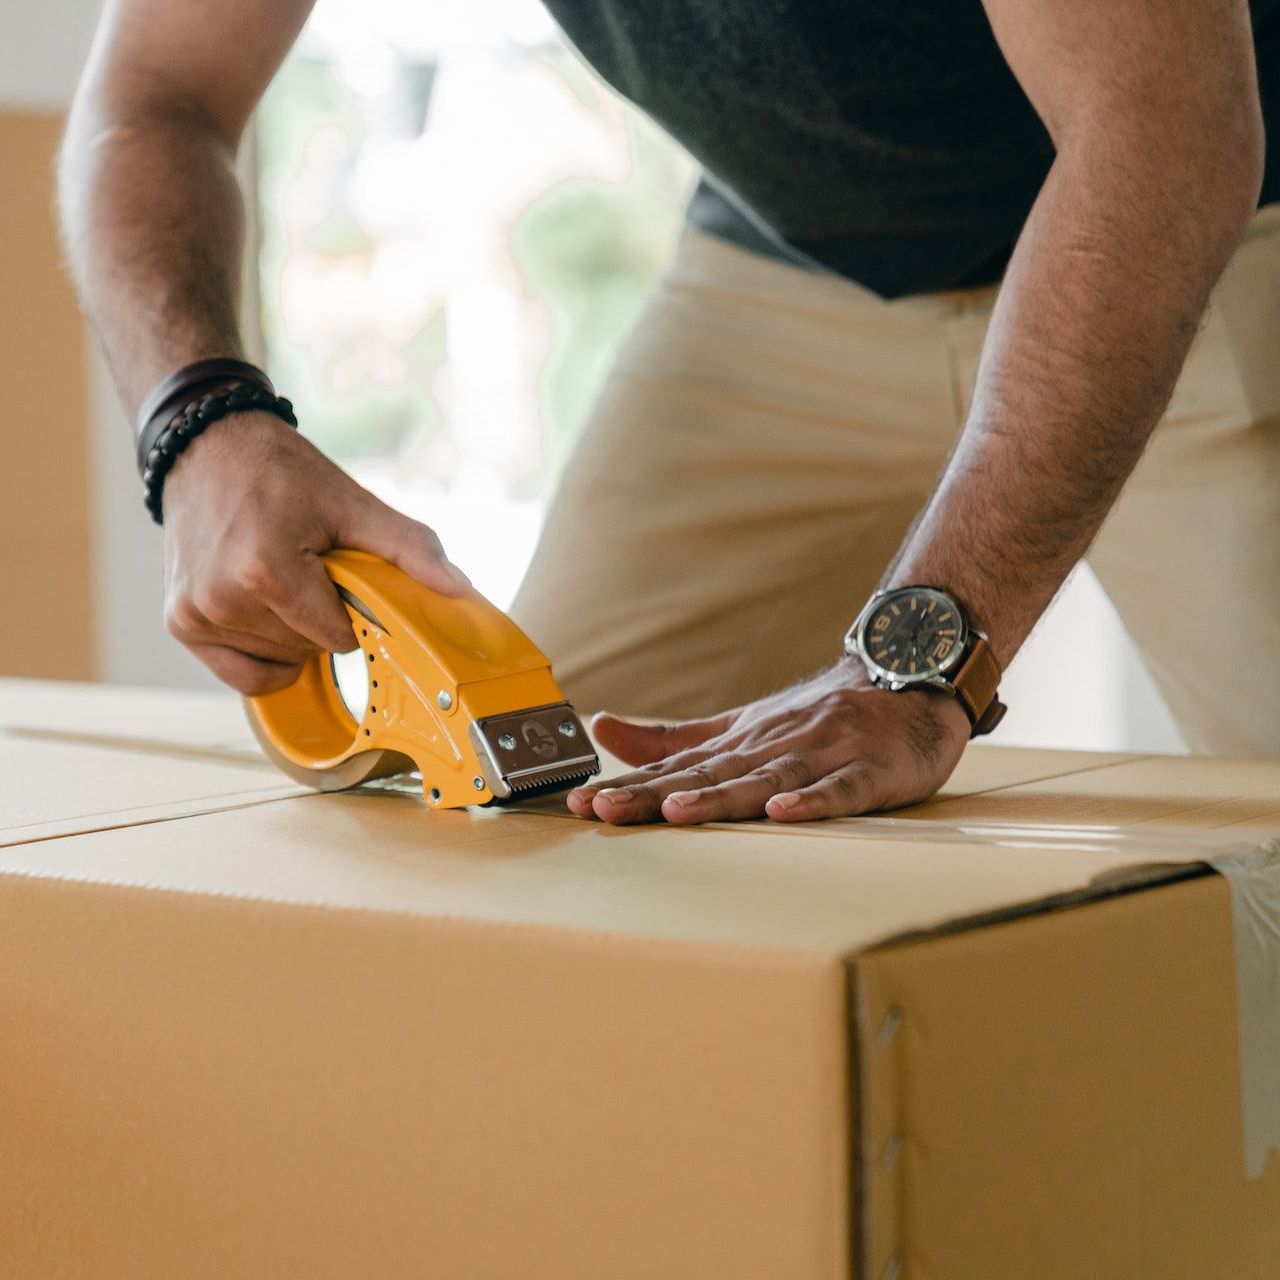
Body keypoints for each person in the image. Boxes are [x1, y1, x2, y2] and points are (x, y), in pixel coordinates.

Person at [59, 0, 1279, 826]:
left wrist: (917, 666)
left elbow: (1161, 137)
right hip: (784, 272)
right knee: (535, 802)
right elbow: (153, 95)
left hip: (1196, 245)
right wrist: (198, 421)